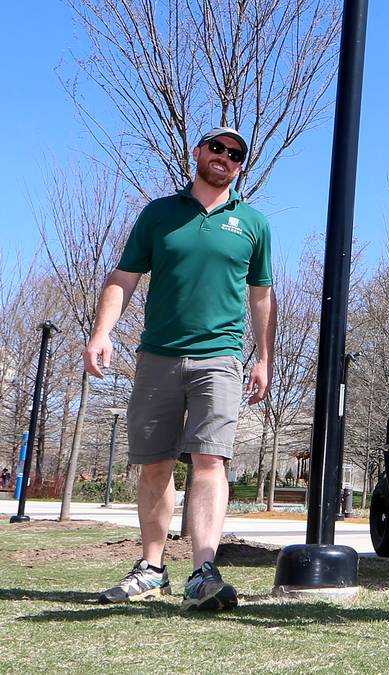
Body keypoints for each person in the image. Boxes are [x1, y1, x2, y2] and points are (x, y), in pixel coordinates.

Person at [84, 126, 277, 609]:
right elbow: (123, 276)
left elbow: (262, 296)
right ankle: (151, 568)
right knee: (154, 464)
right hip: (159, 355)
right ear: (198, 152)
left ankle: (203, 574)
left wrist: (264, 357)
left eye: (235, 154)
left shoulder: (253, 224)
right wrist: (101, 332)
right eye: (217, 148)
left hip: (221, 357)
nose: (225, 157)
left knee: (210, 460)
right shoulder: (159, 214)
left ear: (239, 166)